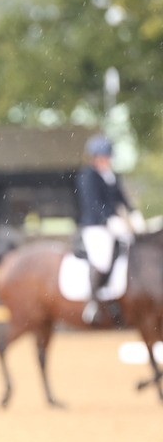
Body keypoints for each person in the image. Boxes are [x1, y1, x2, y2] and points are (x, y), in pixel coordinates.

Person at [76, 134, 140, 324]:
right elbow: (93, 203)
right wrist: (107, 220)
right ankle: (93, 302)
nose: (107, 160)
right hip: (95, 226)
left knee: (132, 249)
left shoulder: (111, 176)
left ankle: (118, 295)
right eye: (103, 157)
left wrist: (134, 213)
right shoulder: (87, 176)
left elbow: (122, 198)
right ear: (94, 157)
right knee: (103, 260)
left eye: (108, 157)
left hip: (113, 223)